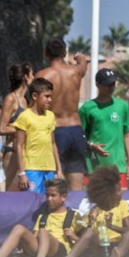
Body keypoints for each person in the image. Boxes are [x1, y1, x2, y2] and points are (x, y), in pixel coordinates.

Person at [36, 37, 89, 191]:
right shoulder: (76, 72)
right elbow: (83, 63)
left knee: (53, 187)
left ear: (46, 53)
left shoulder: (42, 75)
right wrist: (78, 56)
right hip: (76, 129)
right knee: (77, 189)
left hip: (56, 131)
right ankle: (76, 214)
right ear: (65, 52)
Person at [0, 178, 80, 257]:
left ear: (63, 197)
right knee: (19, 228)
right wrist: (25, 244)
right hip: (40, 247)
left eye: (53, 196)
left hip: (60, 249)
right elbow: (35, 235)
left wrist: (74, 237)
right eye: (47, 195)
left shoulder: (73, 215)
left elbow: (85, 242)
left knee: (43, 231)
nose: (49, 199)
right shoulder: (43, 216)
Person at [80, 68, 129, 189]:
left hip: (118, 167)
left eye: (113, 83)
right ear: (98, 85)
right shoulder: (87, 108)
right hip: (94, 167)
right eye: (107, 84)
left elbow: (126, 134)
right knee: (94, 204)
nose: (111, 87)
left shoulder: (123, 106)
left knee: (120, 203)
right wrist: (91, 145)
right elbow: (79, 137)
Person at [63, 166, 129, 257]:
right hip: (101, 245)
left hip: (118, 244)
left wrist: (110, 226)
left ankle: (116, 256)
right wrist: (91, 223)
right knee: (90, 231)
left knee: (128, 233)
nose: (122, 192)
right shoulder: (95, 210)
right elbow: (82, 234)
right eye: (118, 190)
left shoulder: (122, 205)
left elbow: (128, 229)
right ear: (108, 193)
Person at [13, 77, 62, 194]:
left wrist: (59, 169)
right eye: (46, 96)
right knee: (31, 203)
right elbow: (18, 146)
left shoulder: (50, 116)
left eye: (51, 96)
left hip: (49, 168)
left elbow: (52, 143)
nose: (50, 100)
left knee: (48, 201)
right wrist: (22, 172)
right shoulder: (25, 116)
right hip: (31, 168)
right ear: (35, 96)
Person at [0, 62, 34, 190]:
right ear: (25, 77)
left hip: (24, 152)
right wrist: (22, 129)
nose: (33, 77)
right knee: (8, 191)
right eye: (32, 74)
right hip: (12, 151)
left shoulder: (26, 100)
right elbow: (2, 128)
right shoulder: (11, 99)